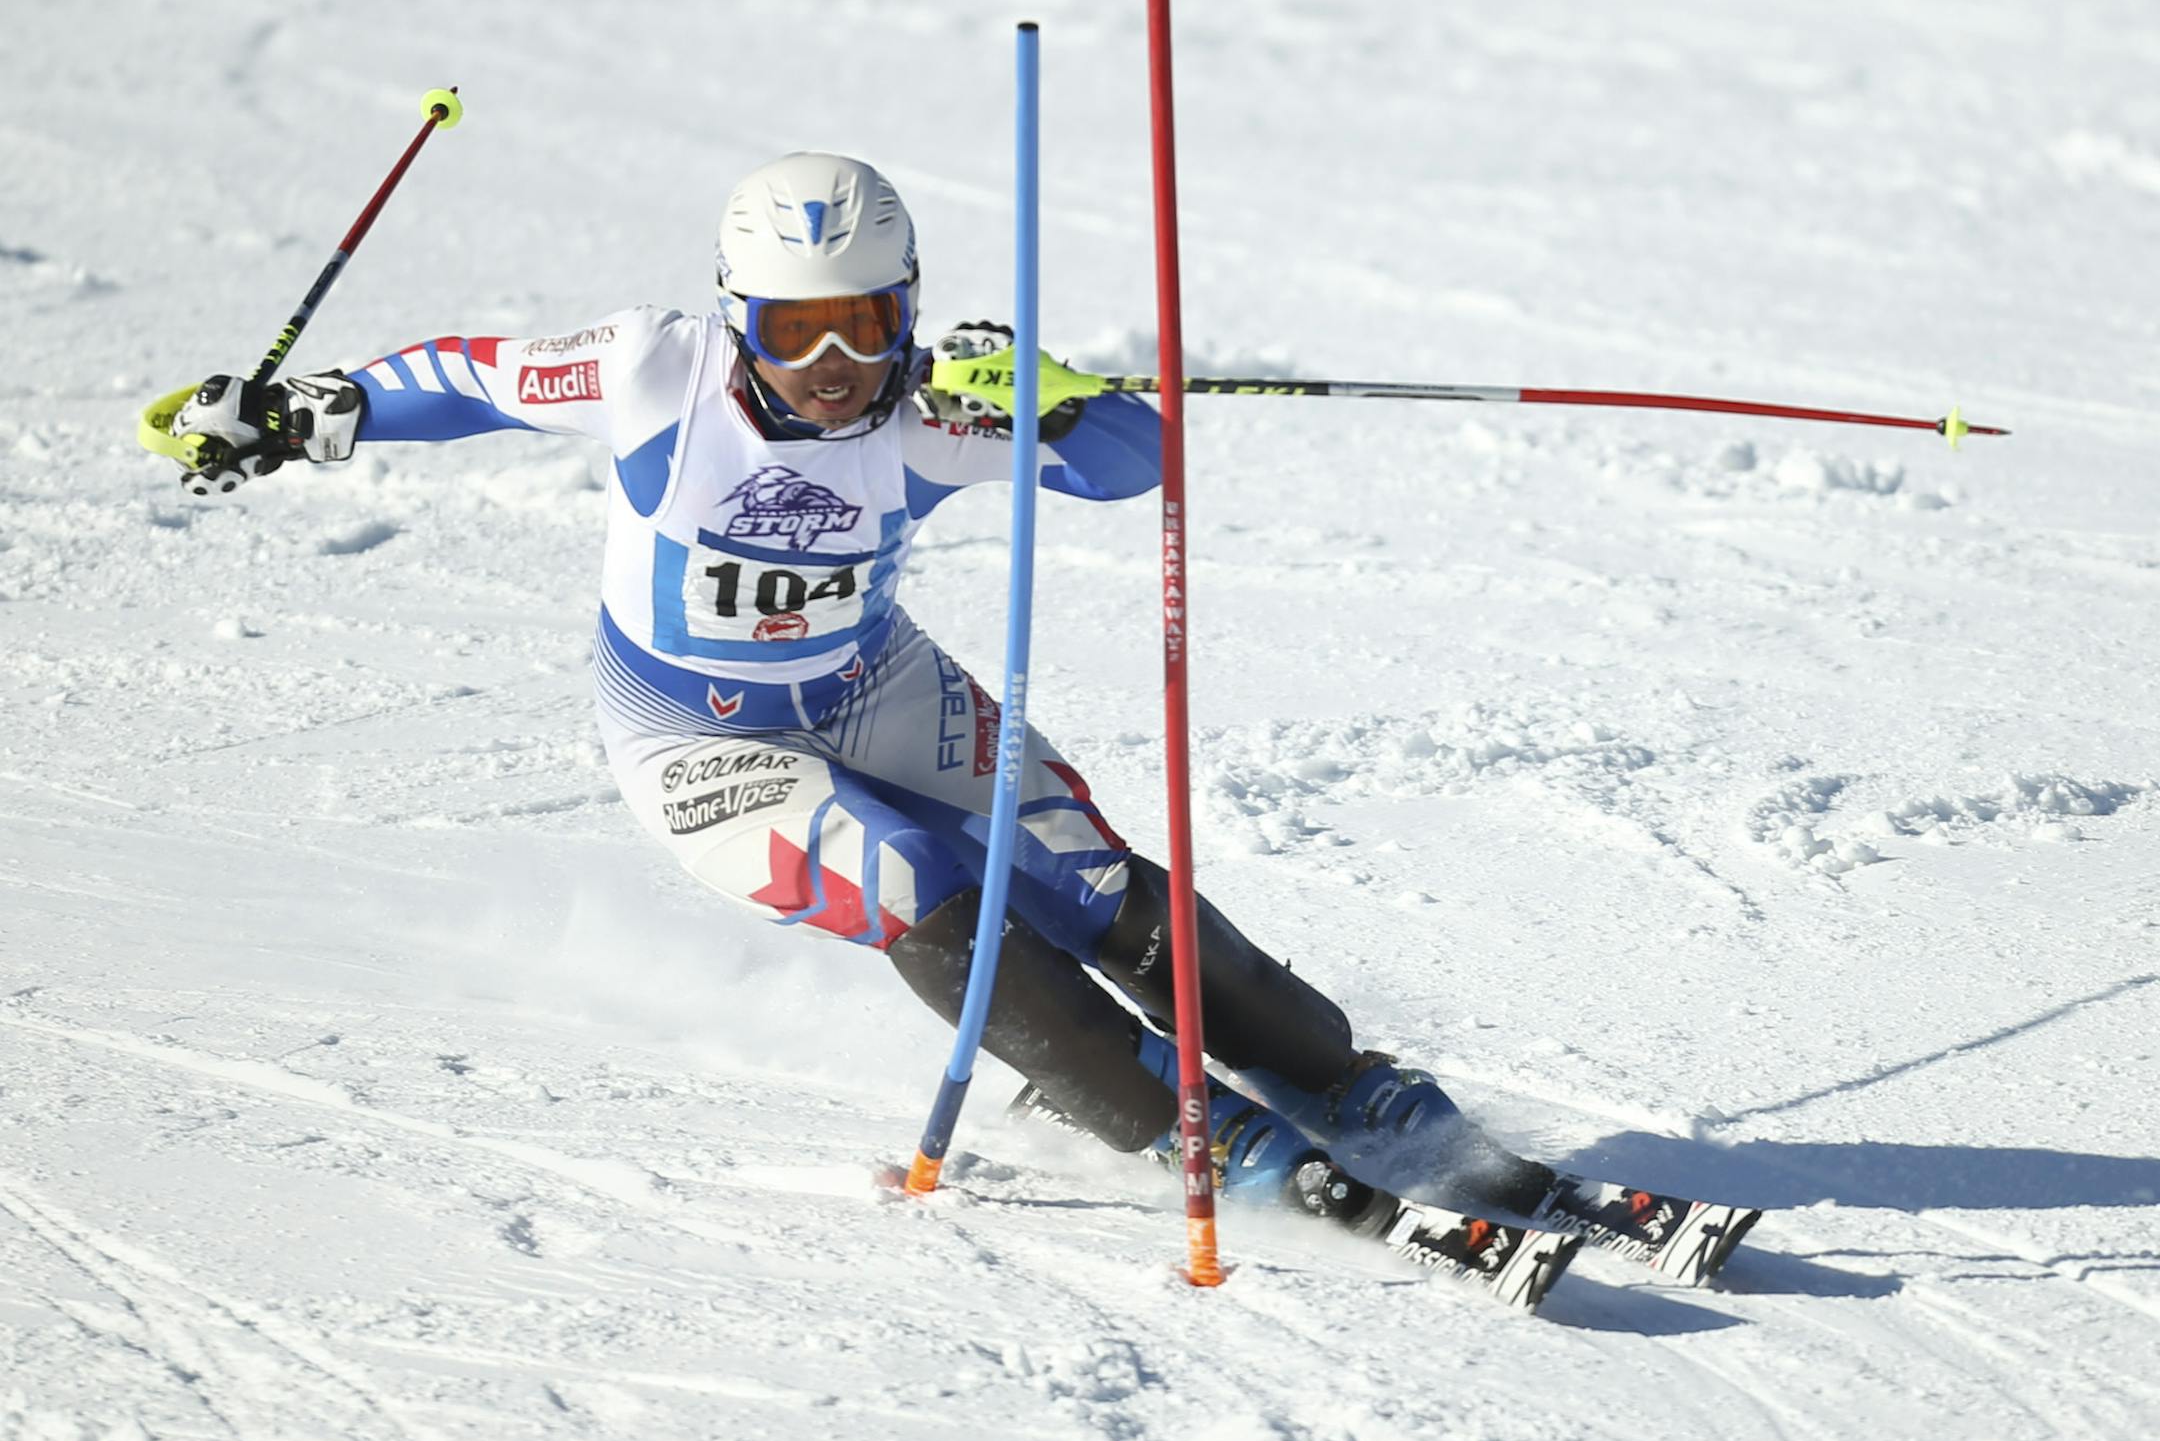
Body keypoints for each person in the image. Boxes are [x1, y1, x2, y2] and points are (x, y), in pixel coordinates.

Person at [163, 150, 1572, 1229]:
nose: (837, 368)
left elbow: (1136, 466)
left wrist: (1054, 395)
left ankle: (1347, 1084)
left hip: (873, 685)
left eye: (867, 325)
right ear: (738, 319)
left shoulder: (932, 407)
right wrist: (303, 411)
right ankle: (1195, 1133)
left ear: (909, 308)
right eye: (797, 333)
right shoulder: (652, 372)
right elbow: (467, 378)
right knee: (925, 885)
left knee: (1093, 887)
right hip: (693, 737)